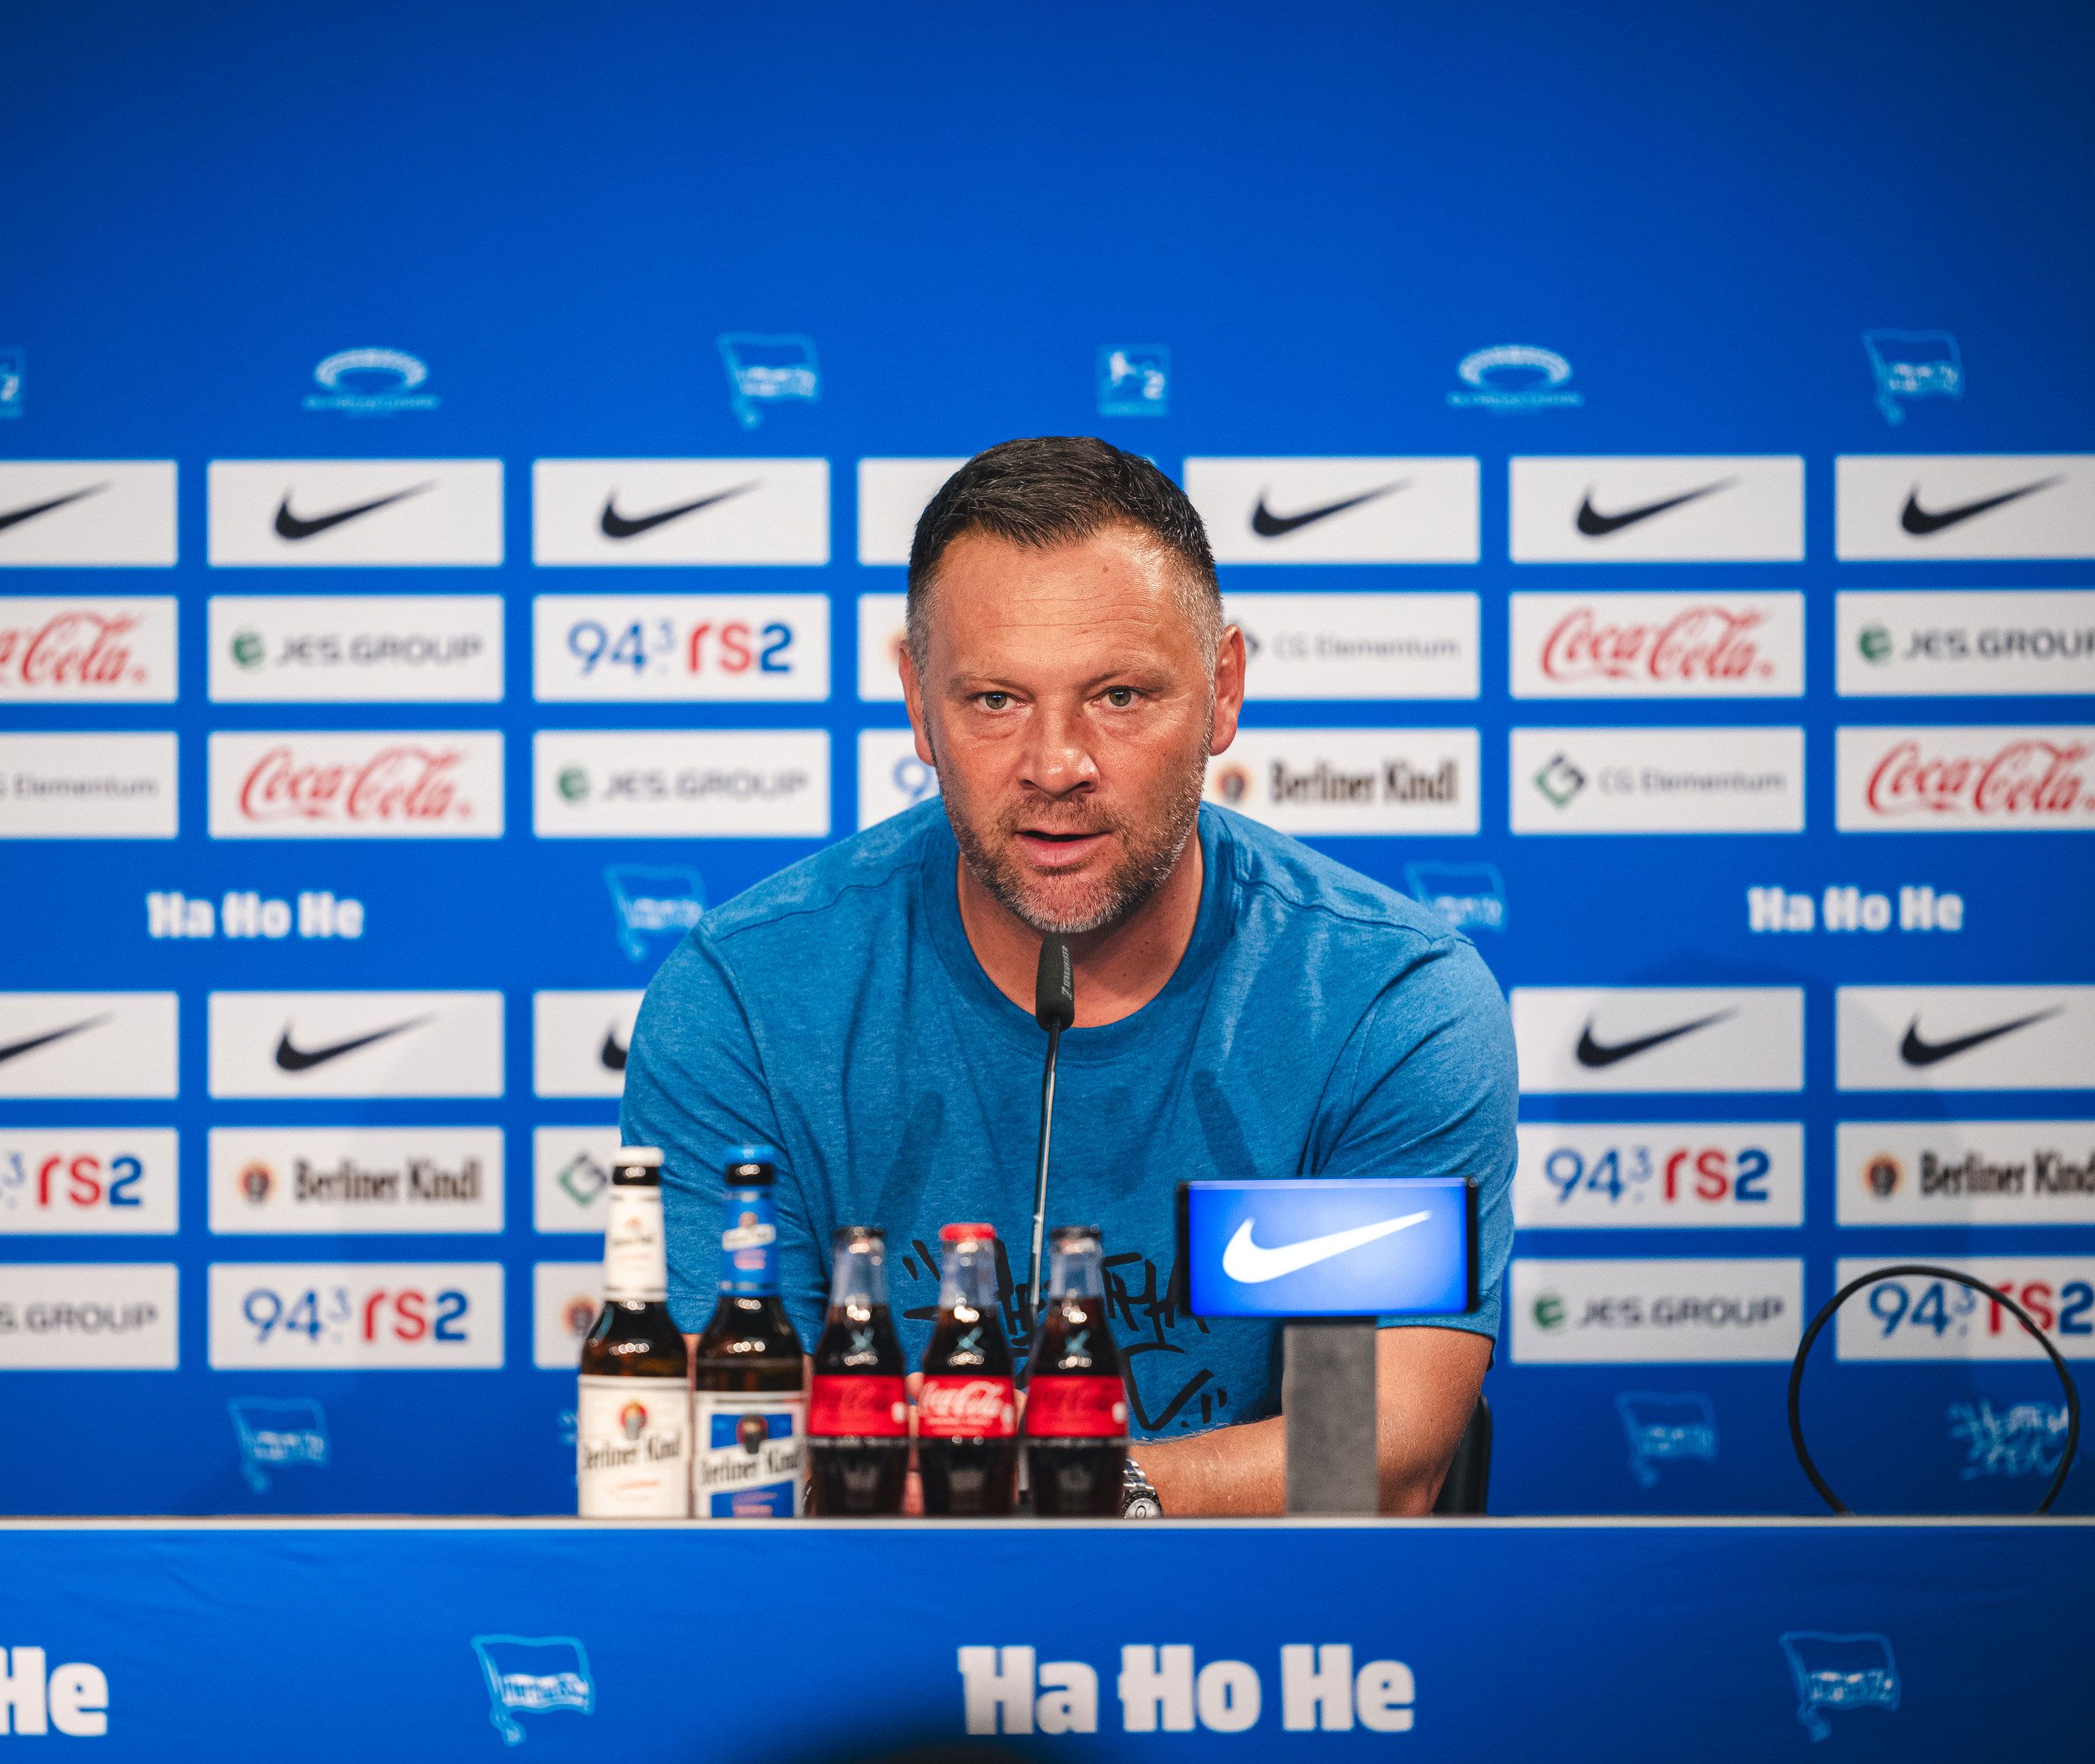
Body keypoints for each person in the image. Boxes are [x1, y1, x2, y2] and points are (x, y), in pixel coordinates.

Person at [619, 436, 1516, 1515]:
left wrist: (1073, 1493)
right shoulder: (747, 1003)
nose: (1055, 764)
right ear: (916, 696)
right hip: (875, 1650)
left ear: (1224, 690)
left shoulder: (1373, 1003)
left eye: (1121, 696)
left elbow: (1365, 1455)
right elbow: (741, 1459)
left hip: (1266, 1653)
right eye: (994, 699)